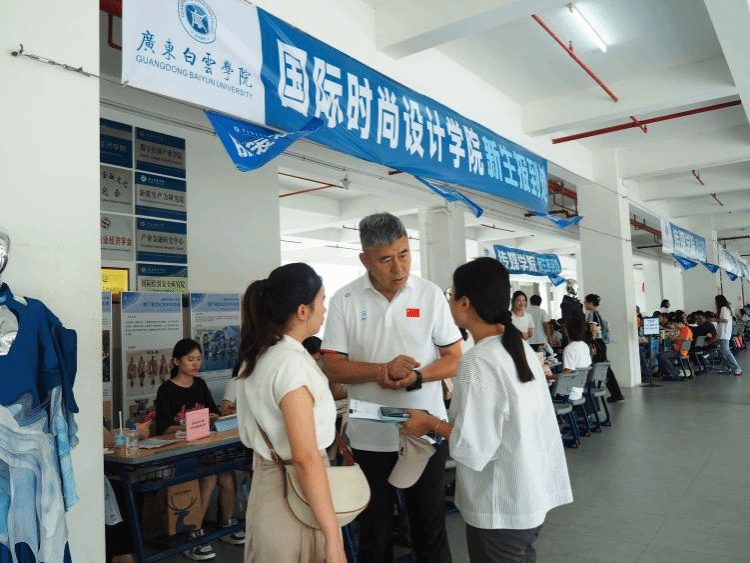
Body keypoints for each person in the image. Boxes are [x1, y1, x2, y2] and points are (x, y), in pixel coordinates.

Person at [400, 257, 573, 563]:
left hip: (500, 508)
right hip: (529, 495)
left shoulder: (478, 361)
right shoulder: (518, 348)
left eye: (451, 294)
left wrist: (429, 424)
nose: (449, 301)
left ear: (465, 303)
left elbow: (474, 448)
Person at [322, 212, 462, 563]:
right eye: (386, 260)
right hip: (369, 436)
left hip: (423, 433)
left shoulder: (429, 295)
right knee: (374, 535)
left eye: (404, 254)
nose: (399, 268)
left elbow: (454, 358)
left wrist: (418, 377)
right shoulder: (345, 299)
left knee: (429, 532)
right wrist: (380, 371)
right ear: (365, 259)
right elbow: (333, 366)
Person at [235, 263, 345, 563]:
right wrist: (333, 538)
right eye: (322, 300)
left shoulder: (259, 356)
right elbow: (305, 457)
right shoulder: (291, 364)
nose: (325, 309)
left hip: (269, 486)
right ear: (302, 311)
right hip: (294, 494)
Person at [154, 339, 244, 560]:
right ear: (176, 361)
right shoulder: (166, 390)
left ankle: (227, 525)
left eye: (198, 359)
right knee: (211, 476)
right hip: (181, 449)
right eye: (190, 359)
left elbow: (213, 412)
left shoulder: (200, 384)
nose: (196, 364)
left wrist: (214, 416)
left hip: (204, 445)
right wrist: (188, 426)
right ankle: (194, 534)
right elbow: (164, 427)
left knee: (226, 475)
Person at [584, 294, 624, 402]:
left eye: (586, 302)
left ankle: (616, 394)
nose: (584, 304)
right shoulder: (597, 314)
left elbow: (593, 329)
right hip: (601, 344)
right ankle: (616, 394)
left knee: (604, 370)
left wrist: (592, 344)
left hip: (597, 344)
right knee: (606, 369)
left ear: (591, 303)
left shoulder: (592, 314)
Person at [560, 315, 591, 401]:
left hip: (568, 392)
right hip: (580, 389)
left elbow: (568, 372)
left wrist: (555, 377)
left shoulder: (569, 349)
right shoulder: (585, 346)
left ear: (568, 331)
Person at [657, 313, 693, 379]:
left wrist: (675, 338)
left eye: (674, 324)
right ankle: (668, 372)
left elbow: (685, 339)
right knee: (663, 353)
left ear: (679, 323)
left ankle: (674, 373)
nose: (674, 326)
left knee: (662, 356)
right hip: (679, 349)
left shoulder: (686, 330)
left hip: (681, 351)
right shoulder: (682, 329)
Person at [715, 295, 743, 376]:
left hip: (724, 334)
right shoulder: (727, 308)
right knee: (722, 351)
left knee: (726, 352)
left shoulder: (724, 308)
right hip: (723, 333)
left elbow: (725, 320)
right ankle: (727, 367)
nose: (715, 303)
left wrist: (714, 319)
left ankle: (737, 368)